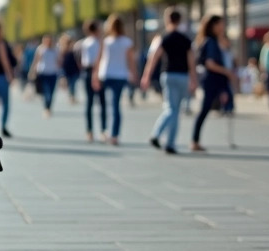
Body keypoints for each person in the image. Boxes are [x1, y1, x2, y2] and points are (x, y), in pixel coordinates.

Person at [142, 8, 195, 154]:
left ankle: (158, 135)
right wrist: (194, 79)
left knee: (171, 108)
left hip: (168, 74)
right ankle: (168, 142)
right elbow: (191, 61)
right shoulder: (186, 39)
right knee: (175, 110)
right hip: (183, 76)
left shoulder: (164, 38)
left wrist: (146, 75)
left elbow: (154, 58)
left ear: (167, 20)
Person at [190, 15, 234, 152]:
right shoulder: (210, 42)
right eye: (220, 24)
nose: (222, 27)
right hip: (212, 79)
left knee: (208, 108)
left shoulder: (213, 41)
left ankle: (195, 140)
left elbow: (227, 49)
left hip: (215, 79)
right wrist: (227, 72)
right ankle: (194, 140)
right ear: (213, 26)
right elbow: (210, 63)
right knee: (205, 109)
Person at [91, 15, 135, 145]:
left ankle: (104, 130)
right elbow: (130, 60)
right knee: (116, 105)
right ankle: (114, 134)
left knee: (104, 104)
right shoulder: (127, 42)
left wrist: (95, 75)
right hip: (120, 75)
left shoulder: (106, 41)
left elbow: (98, 60)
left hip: (106, 74)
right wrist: (134, 73)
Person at [80, 20, 106, 141]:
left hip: (88, 71)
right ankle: (103, 130)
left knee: (90, 103)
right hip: (97, 71)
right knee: (102, 102)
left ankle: (89, 130)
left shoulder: (85, 43)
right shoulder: (99, 43)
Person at [28, 35, 60, 118]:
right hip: (43, 72)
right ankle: (46, 107)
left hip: (53, 73)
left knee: (51, 92)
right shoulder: (41, 49)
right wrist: (32, 71)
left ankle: (49, 106)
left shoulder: (56, 49)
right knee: (46, 91)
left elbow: (58, 61)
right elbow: (36, 60)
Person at [58, 33, 79, 105]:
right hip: (67, 69)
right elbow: (61, 61)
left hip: (73, 69)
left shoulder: (73, 49)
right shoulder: (62, 50)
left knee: (73, 84)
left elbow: (76, 59)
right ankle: (71, 96)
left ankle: (72, 96)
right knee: (70, 84)